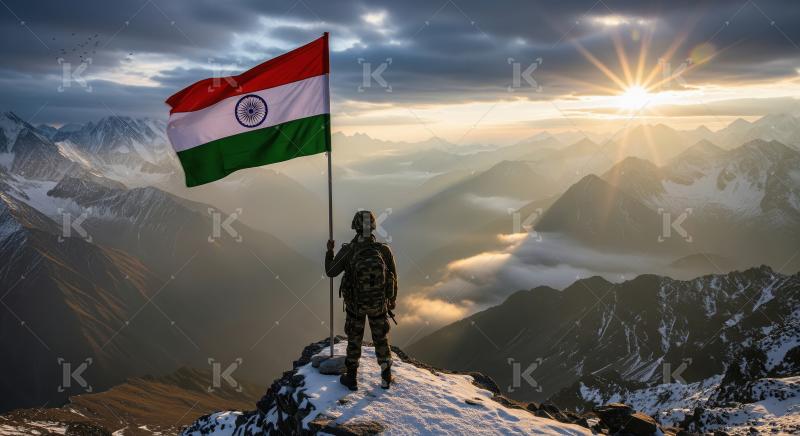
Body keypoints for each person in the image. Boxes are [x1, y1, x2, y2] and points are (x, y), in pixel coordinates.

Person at [326, 210, 397, 390]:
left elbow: (331, 272)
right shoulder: (383, 250)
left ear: (355, 227)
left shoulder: (348, 251)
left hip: (355, 306)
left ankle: (351, 378)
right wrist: (392, 300)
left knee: (354, 340)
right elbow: (393, 276)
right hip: (379, 305)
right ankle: (386, 377)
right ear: (372, 226)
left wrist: (329, 251)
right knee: (381, 339)